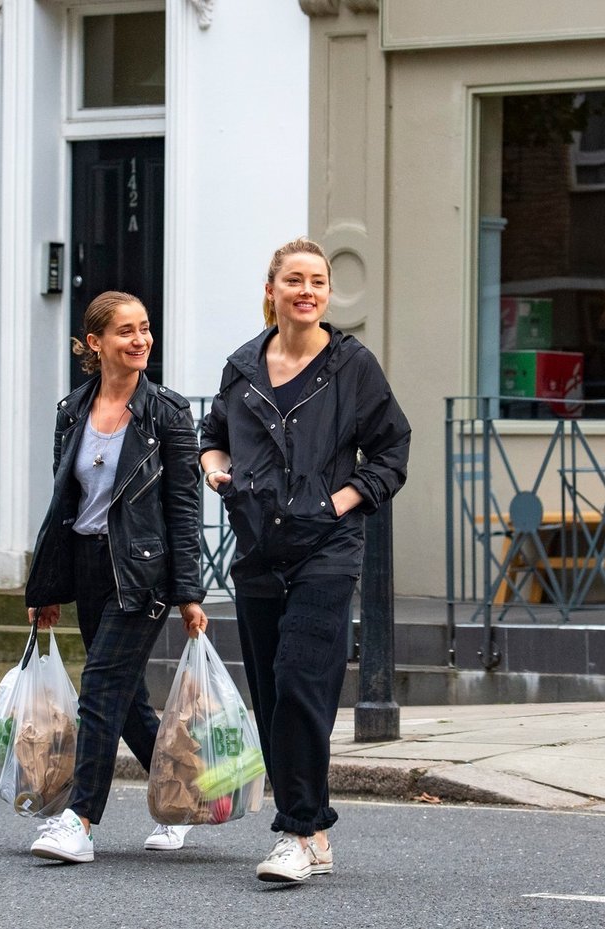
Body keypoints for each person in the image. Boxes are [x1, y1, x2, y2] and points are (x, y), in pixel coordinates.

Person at [199, 237, 411, 882]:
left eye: (318, 281)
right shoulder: (242, 367)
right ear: (273, 290)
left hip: (326, 549)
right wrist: (217, 470)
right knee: (271, 696)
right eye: (294, 279)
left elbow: (392, 451)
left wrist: (342, 500)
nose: (308, 290)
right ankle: (314, 827)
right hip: (260, 550)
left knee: (300, 682)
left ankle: (293, 832)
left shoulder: (353, 366)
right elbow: (212, 435)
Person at [24, 291, 208, 863]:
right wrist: (46, 587)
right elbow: (62, 506)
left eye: (145, 329)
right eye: (126, 331)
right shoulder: (71, 411)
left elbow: (183, 506)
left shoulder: (168, 414)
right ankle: (186, 796)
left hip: (142, 572)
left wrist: (189, 593)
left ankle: (79, 821)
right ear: (95, 343)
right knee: (125, 702)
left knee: (100, 689)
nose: (140, 340)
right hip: (86, 567)